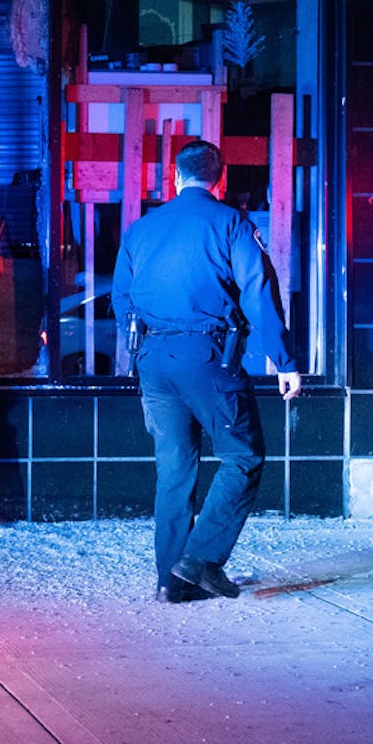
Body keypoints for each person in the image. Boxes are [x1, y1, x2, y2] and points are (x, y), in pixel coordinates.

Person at [111, 139, 302, 603]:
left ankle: (169, 582)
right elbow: (258, 291)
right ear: (221, 179)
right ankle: (200, 559)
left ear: (174, 178)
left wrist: (142, 350)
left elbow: (122, 299)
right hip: (209, 356)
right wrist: (284, 360)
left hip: (153, 360)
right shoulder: (230, 222)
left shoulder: (141, 229)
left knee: (174, 470)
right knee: (242, 455)